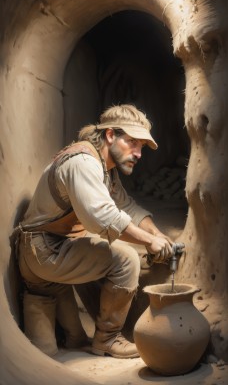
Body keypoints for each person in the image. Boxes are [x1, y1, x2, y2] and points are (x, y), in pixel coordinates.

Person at [16, 104, 173, 359]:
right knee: (126, 259)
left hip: (54, 250)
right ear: (110, 135)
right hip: (44, 251)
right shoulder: (84, 163)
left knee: (73, 341)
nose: (138, 153)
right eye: (132, 142)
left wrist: (156, 234)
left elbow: (126, 207)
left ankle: (71, 323)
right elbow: (102, 218)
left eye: (141, 147)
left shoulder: (105, 167)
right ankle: (108, 339)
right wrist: (147, 242)